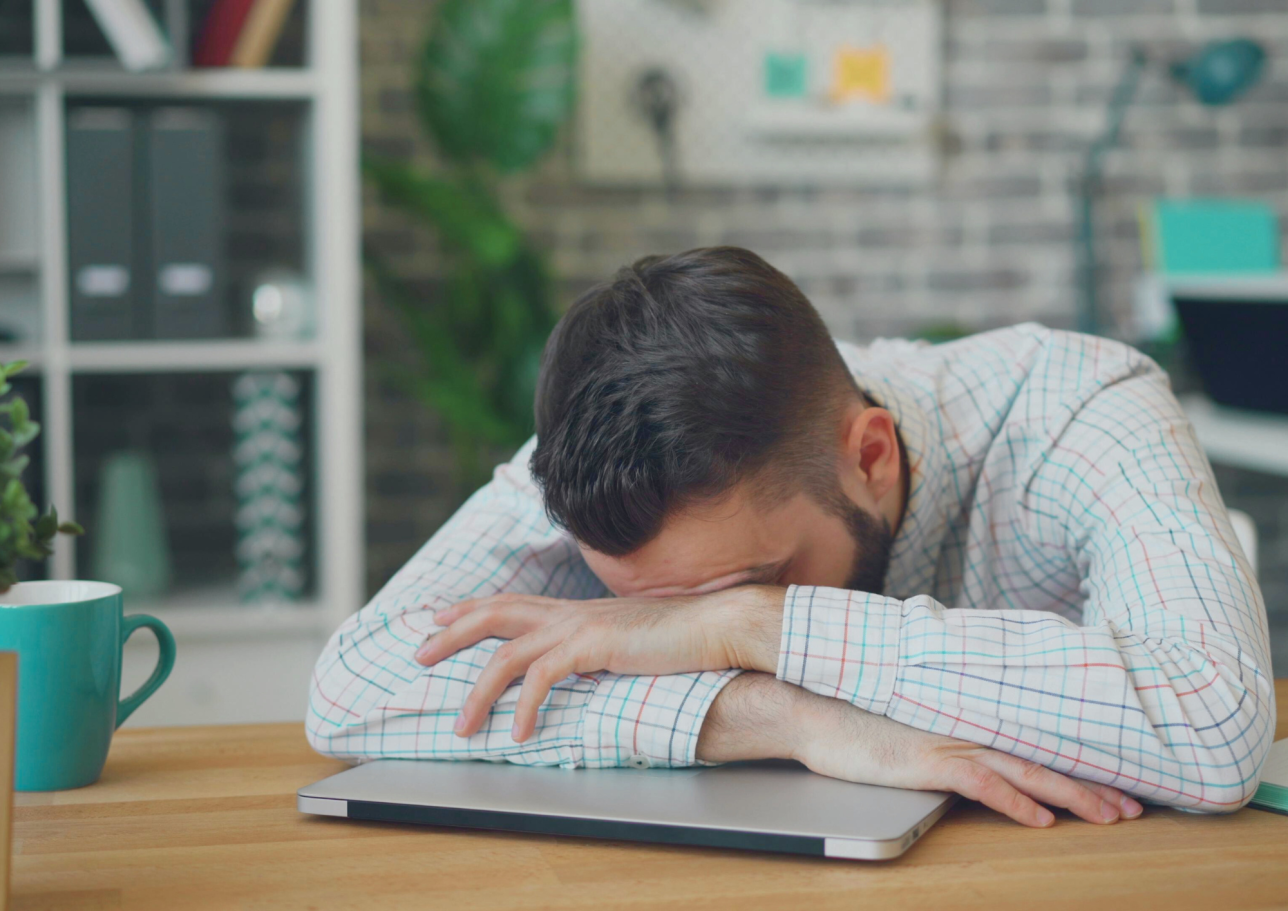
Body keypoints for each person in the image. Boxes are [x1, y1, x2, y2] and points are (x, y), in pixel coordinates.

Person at [307, 246, 1275, 828]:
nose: (671, 628)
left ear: (870, 453)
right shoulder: (597, 457)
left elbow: (1211, 720)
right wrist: (778, 716)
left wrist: (751, 625)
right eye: (650, 604)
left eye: (737, 580)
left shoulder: (1080, 405)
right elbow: (353, 687)